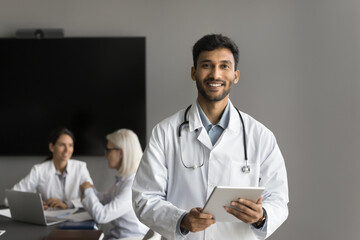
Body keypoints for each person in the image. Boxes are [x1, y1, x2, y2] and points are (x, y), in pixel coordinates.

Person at [132, 34, 289, 239]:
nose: (215, 74)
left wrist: (262, 217)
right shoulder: (165, 132)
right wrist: (181, 220)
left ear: (236, 75)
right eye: (207, 65)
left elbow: (277, 198)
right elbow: (144, 198)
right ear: (193, 72)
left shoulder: (260, 136)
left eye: (224, 66)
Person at [80, 129, 148, 240]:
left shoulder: (132, 184)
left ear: (121, 153)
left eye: (108, 150)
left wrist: (88, 191)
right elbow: (106, 198)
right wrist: (91, 190)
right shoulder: (124, 179)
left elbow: (102, 216)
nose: (105, 154)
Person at [7, 127, 93, 209]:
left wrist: (67, 204)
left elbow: (92, 198)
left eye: (70, 145)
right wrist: (34, 204)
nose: (67, 150)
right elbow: (10, 199)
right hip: (49, 219)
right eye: (62, 145)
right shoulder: (39, 170)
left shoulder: (80, 167)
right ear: (52, 147)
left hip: (76, 219)